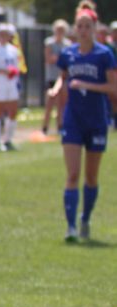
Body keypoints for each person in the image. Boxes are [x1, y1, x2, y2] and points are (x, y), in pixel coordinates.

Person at [55, 3, 117, 242]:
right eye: (79, 26)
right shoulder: (68, 54)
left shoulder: (104, 54)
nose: (82, 30)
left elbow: (113, 88)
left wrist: (87, 85)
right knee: (72, 174)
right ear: (75, 29)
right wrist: (56, 90)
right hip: (74, 119)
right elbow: (63, 81)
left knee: (91, 177)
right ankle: (70, 227)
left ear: (94, 29)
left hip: (96, 119)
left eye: (87, 26)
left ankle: (85, 219)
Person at [43, 19, 70, 135]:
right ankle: (45, 126)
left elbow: (67, 62)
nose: (60, 32)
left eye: (62, 30)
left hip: (62, 77)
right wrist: (59, 59)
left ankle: (60, 126)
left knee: (61, 103)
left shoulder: (67, 44)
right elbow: (49, 59)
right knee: (50, 101)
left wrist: (57, 58)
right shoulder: (49, 43)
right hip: (52, 77)